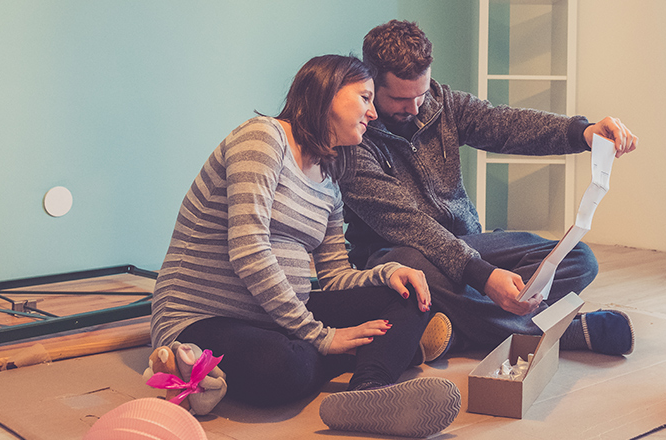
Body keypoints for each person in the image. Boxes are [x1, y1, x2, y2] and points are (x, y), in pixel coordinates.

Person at [149, 54, 460, 439]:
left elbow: (333, 276)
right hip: (203, 315)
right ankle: (380, 354)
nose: (373, 113)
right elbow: (248, 250)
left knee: (409, 292)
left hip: (277, 316)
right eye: (364, 97)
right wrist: (322, 337)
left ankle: (367, 393)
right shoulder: (263, 138)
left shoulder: (330, 181)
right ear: (327, 92)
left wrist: (389, 272)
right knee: (284, 367)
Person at [340, 20, 641, 358]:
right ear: (371, 83)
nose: (414, 108)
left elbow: (506, 124)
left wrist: (583, 133)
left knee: (579, 259)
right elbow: (410, 225)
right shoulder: (352, 139)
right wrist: (484, 277)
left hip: (468, 243)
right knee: (408, 263)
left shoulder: (443, 104)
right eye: (399, 99)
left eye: (420, 95)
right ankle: (563, 332)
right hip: (397, 255)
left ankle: (458, 331)